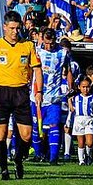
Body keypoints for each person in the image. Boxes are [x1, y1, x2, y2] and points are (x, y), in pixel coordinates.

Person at [0, 11, 43, 180]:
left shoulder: (28, 45)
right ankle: (3, 170)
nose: (15, 31)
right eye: (12, 28)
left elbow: (37, 70)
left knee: (27, 135)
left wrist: (38, 92)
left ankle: (18, 159)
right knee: (0, 135)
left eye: (18, 28)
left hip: (21, 93)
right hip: (1, 93)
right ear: (5, 27)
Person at [33, 28, 72, 165]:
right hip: (36, 97)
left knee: (54, 126)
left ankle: (54, 158)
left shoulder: (62, 53)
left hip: (54, 96)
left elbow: (68, 70)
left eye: (51, 43)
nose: (49, 46)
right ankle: (39, 154)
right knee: (36, 129)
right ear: (42, 39)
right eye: (46, 43)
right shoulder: (36, 51)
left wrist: (70, 89)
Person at [69, 77, 93, 166]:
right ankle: (81, 160)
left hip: (89, 119)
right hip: (79, 120)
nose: (85, 89)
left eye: (87, 87)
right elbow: (72, 110)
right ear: (79, 87)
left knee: (89, 142)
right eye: (83, 87)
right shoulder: (76, 98)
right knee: (80, 142)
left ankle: (88, 155)